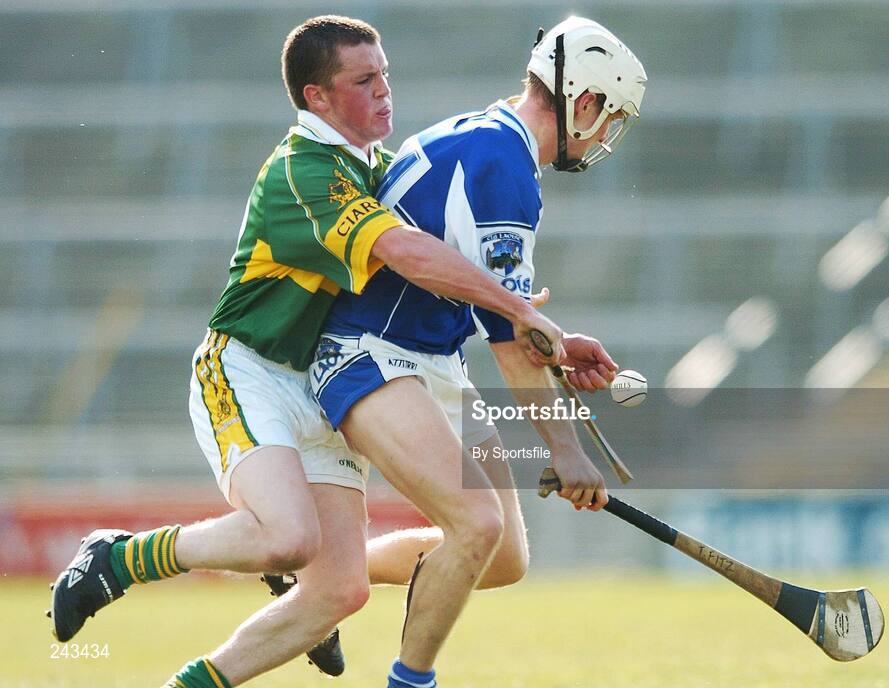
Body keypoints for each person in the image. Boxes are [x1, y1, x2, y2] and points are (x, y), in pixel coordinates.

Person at [47, 15, 566, 688]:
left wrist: (530, 321)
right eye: (363, 80)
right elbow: (405, 253)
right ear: (317, 98)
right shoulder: (305, 170)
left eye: (386, 75)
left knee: (338, 592)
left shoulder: (378, 166)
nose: (385, 92)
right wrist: (514, 308)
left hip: (324, 385)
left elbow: (446, 270)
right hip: (249, 370)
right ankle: (117, 558)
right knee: (287, 537)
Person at [310, 16, 647, 688]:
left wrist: (557, 346)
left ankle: (315, 570)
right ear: (582, 101)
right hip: (377, 354)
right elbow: (509, 338)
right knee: (476, 526)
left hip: (433, 357)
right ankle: (410, 679)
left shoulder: (489, 140)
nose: (606, 133)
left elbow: (501, 309)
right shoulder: (504, 168)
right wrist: (564, 448)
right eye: (609, 116)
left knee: (504, 557)